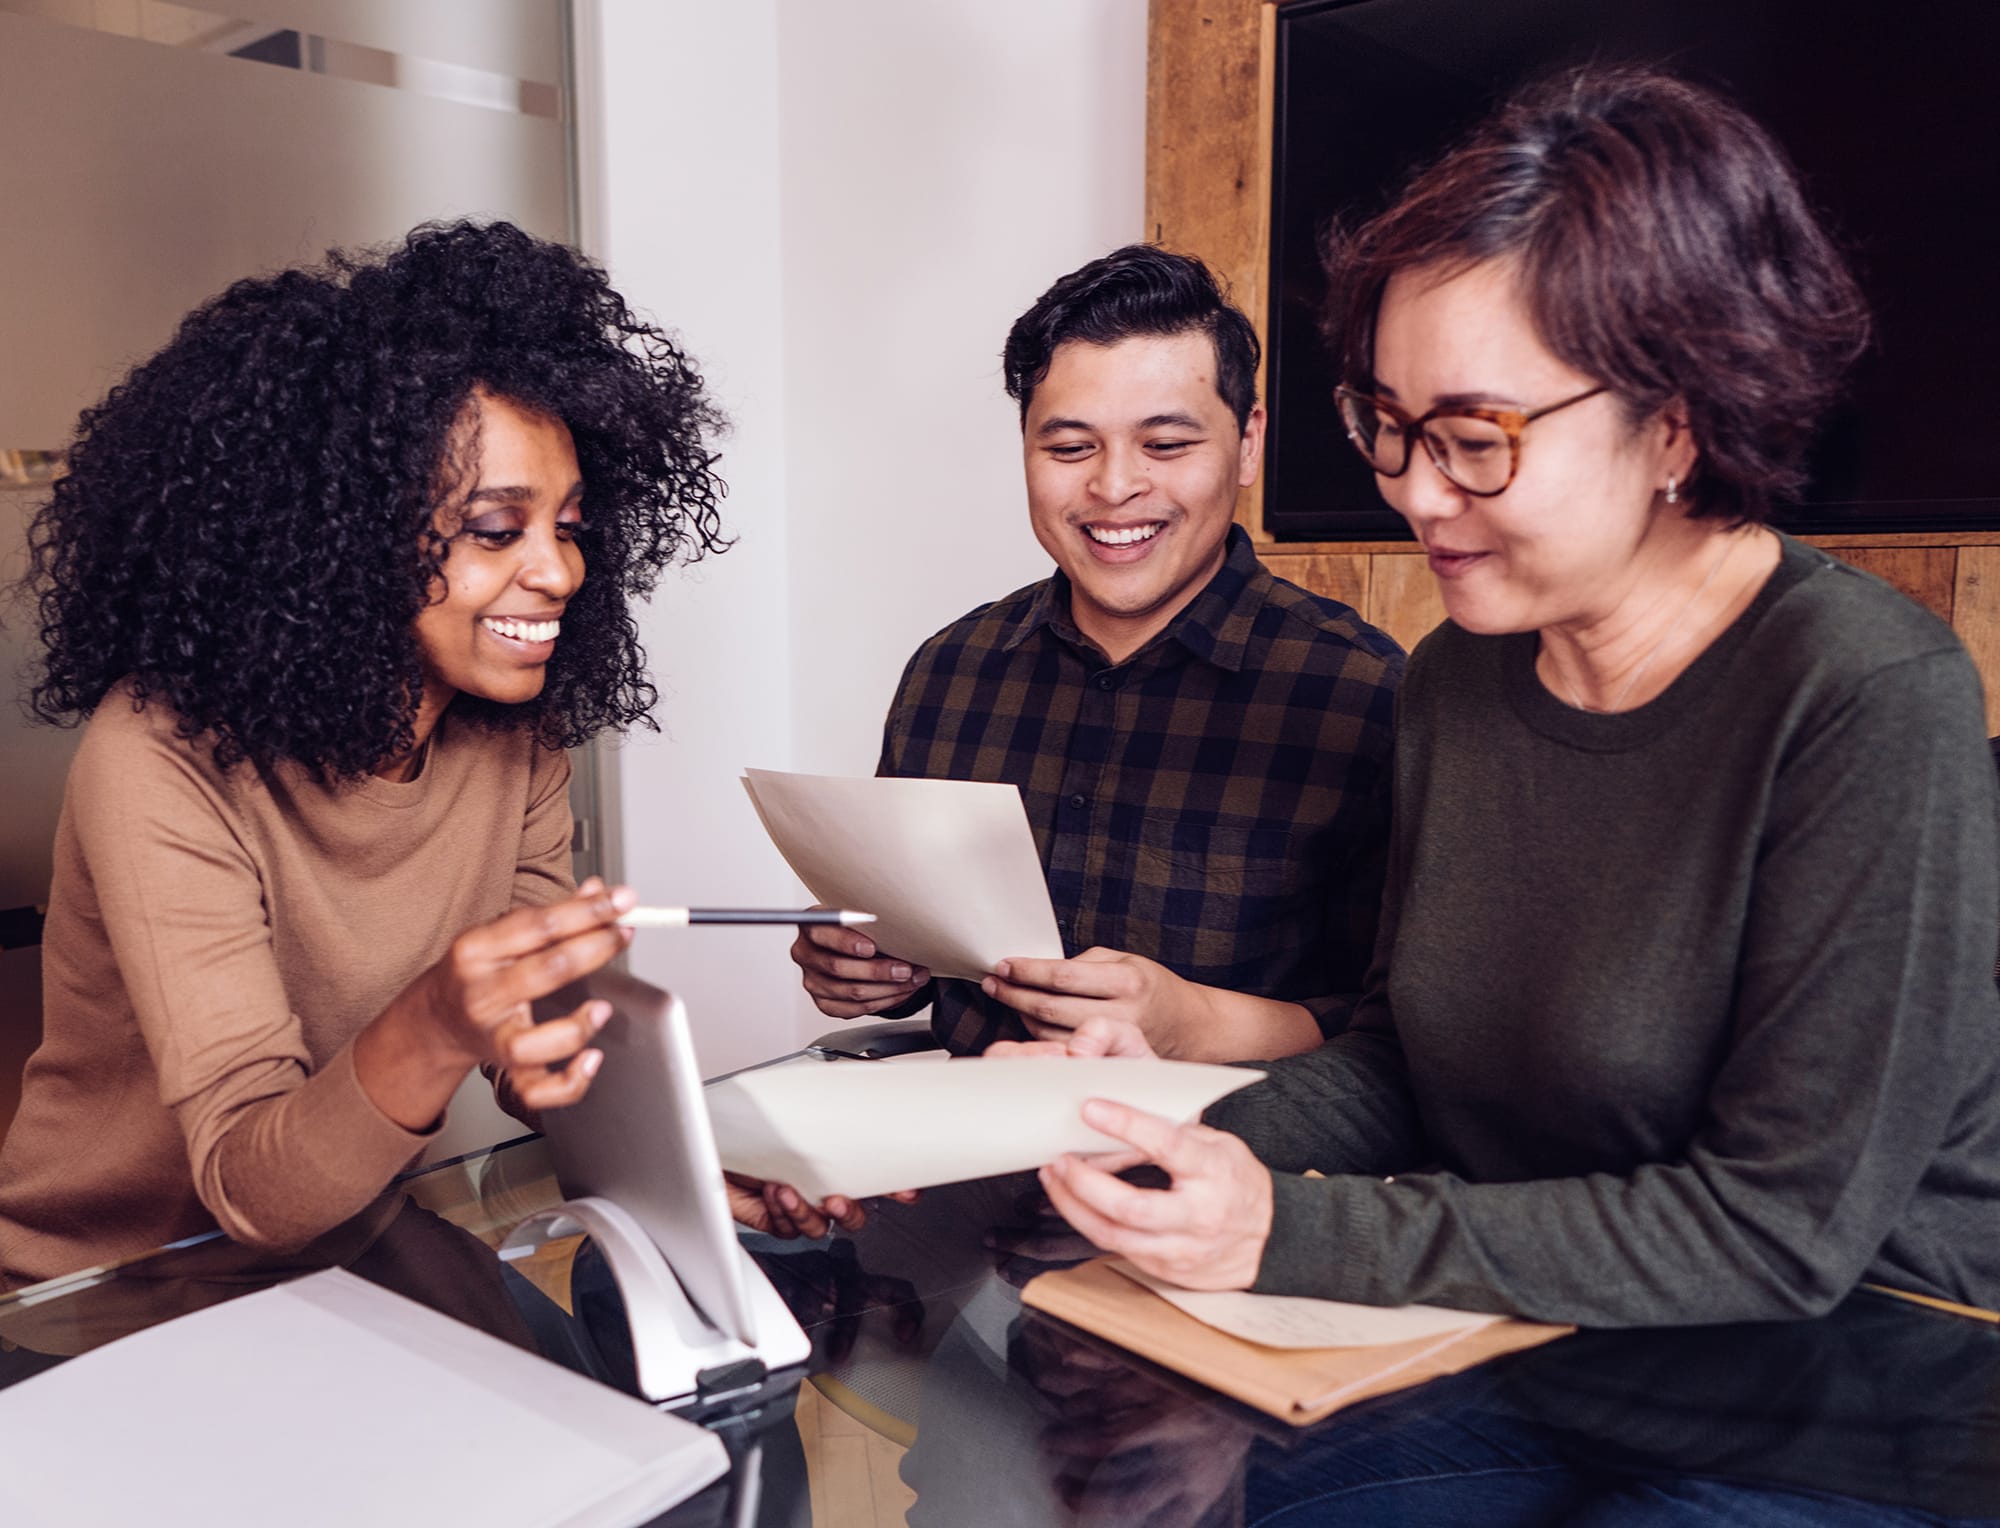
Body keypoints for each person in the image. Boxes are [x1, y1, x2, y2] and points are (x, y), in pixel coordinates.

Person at [1003, 68, 2000, 1326]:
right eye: (1388, 426)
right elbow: (1401, 1069)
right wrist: (1162, 1138)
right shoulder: (1460, 676)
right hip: (1530, 1307)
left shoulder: (1862, 694)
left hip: (1863, 1359)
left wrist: (1286, 1226)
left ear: (1674, 423)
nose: (1416, 492)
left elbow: (1778, 1231)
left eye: (1475, 440)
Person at [0, 221, 731, 1289]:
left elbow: (547, 1040)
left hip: (344, 1244)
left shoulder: (514, 735)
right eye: (495, 529)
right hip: (102, 1290)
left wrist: (700, 1178)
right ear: (337, 535)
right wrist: (440, 1017)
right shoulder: (160, 755)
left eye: (569, 525)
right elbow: (247, 1186)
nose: (559, 572)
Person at [789, 245, 1403, 1063]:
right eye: (1071, 448)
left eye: (1166, 446)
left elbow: (1397, 1035)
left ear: (1248, 443)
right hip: (956, 1149)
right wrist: (869, 969)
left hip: (1228, 1165)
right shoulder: (950, 673)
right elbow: (917, 944)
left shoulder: (1361, 695)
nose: (1115, 489)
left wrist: (1195, 1024)